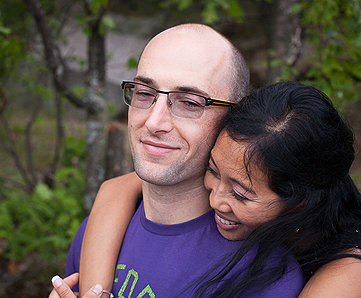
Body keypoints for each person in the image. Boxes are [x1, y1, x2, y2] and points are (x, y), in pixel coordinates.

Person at [49, 23, 305, 297]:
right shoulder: (95, 232)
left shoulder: (262, 274)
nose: (153, 122)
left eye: (190, 102)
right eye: (144, 93)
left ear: (236, 118)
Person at [78, 82, 361, 297]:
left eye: (240, 194)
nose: (215, 199)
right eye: (212, 170)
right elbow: (116, 189)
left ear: (301, 202)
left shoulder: (350, 271)